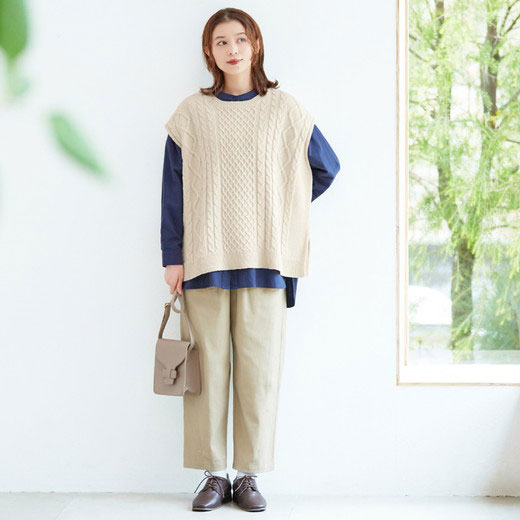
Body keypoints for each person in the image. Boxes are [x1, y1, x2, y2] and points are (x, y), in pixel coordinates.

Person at [161, 7, 340, 513]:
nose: (232, 49)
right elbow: (172, 188)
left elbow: (326, 168)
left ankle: (248, 475)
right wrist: (172, 255)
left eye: (241, 39)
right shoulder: (191, 114)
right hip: (203, 260)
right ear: (209, 51)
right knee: (206, 372)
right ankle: (212, 475)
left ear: (256, 44)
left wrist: (280, 212)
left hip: (266, 261)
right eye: (221, 42)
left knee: (259, 373)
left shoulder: (285, 110)